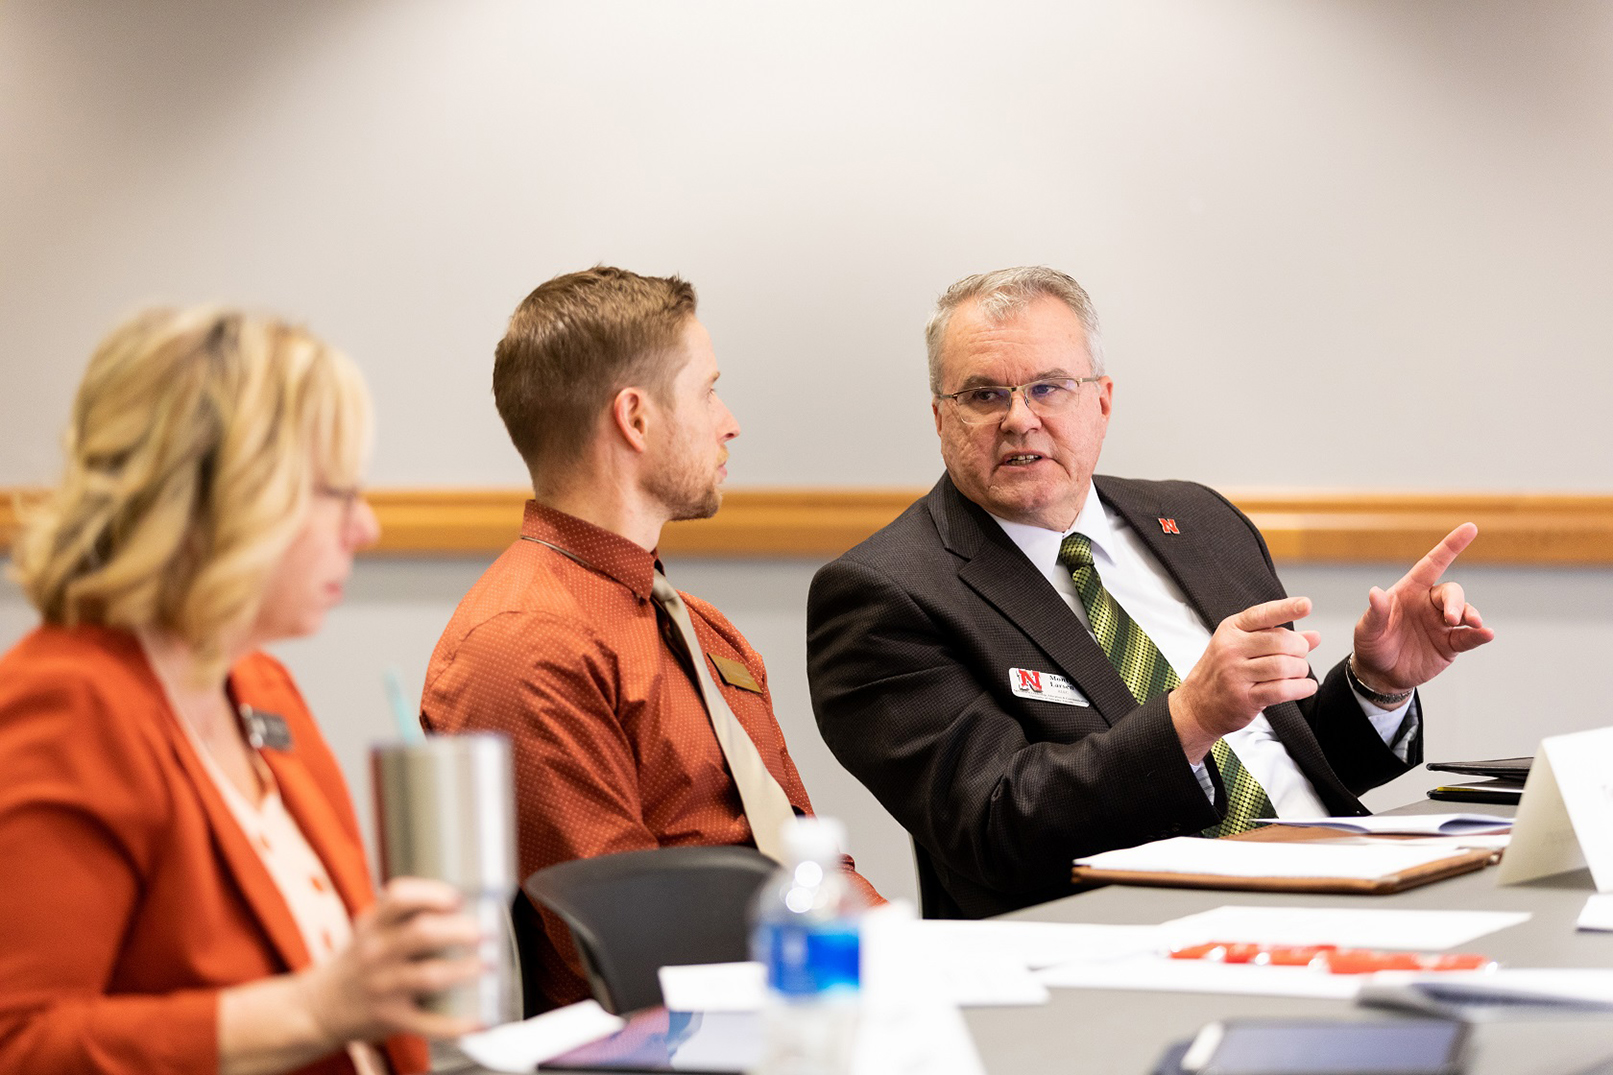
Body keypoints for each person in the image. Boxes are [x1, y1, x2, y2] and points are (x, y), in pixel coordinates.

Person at [806, 266, 1495, 920]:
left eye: (1049, 387)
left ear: (1100, 402)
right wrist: (1187, 718)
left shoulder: (1199, 523)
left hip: (1352, 879)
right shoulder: (884, 594)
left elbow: (1284, 758)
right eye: (984, 394)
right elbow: (992, 824)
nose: (1018, 418)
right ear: (939, 418)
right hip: (1139, 934)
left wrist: (1377, 685)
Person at [0, 308, 486, 1075]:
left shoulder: (259, 685)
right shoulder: (71, 704)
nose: (367, 528)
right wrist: (314, 1009)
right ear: (219, 500)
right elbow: (21, 1047)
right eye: (336, 493)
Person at [421, 266, 880, 1010]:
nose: (728, 420)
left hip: (796, 1003)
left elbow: (799, 855)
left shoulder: (696, 623)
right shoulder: (523, 644)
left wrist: (903, 955)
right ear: (635, 418)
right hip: (683, 1039)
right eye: (706, 390)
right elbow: (633, 947)